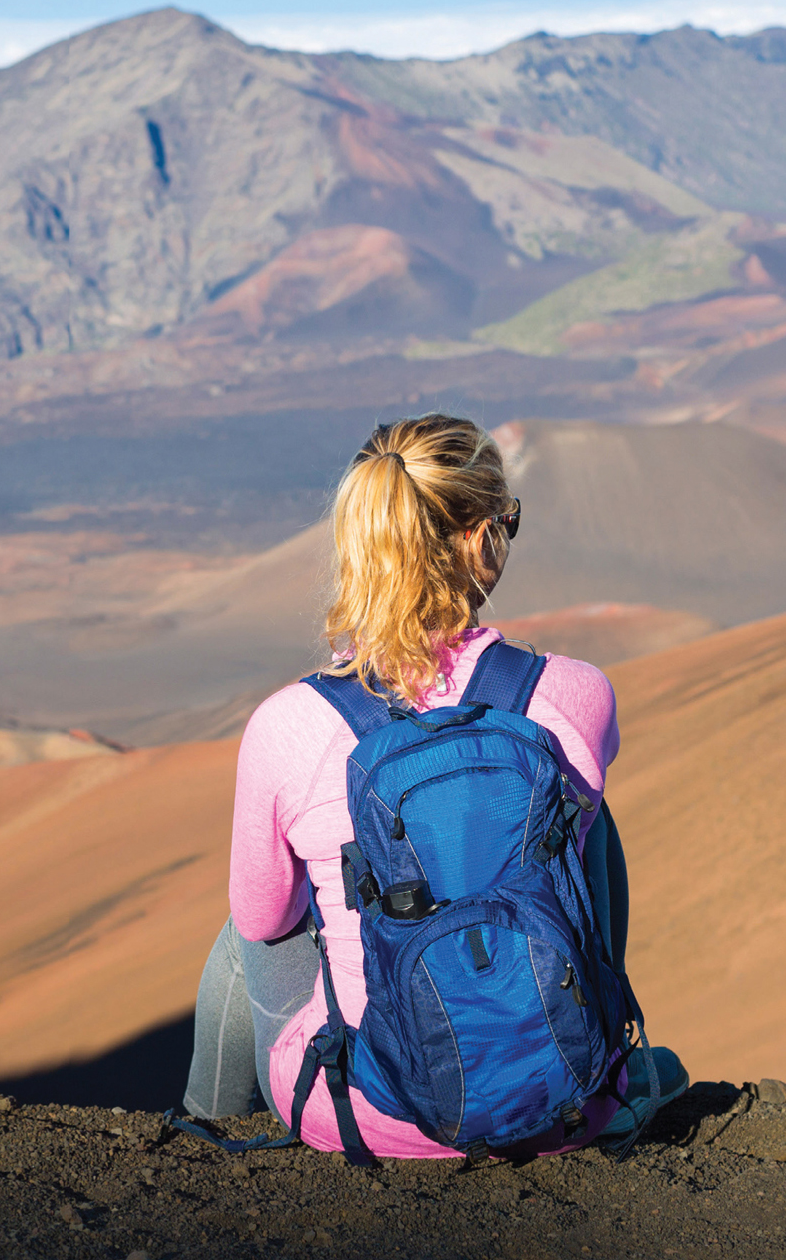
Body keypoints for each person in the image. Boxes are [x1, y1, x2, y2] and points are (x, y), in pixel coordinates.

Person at [181, 412, 683, 1157]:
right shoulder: (577, 695)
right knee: (585, 819)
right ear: (482, 539)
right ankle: (597, 1054)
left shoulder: (288, 727)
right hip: (556, 1110)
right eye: (508, 519)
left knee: (249, 922)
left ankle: (202, 1128)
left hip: (364, 1115)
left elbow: (263, 921)